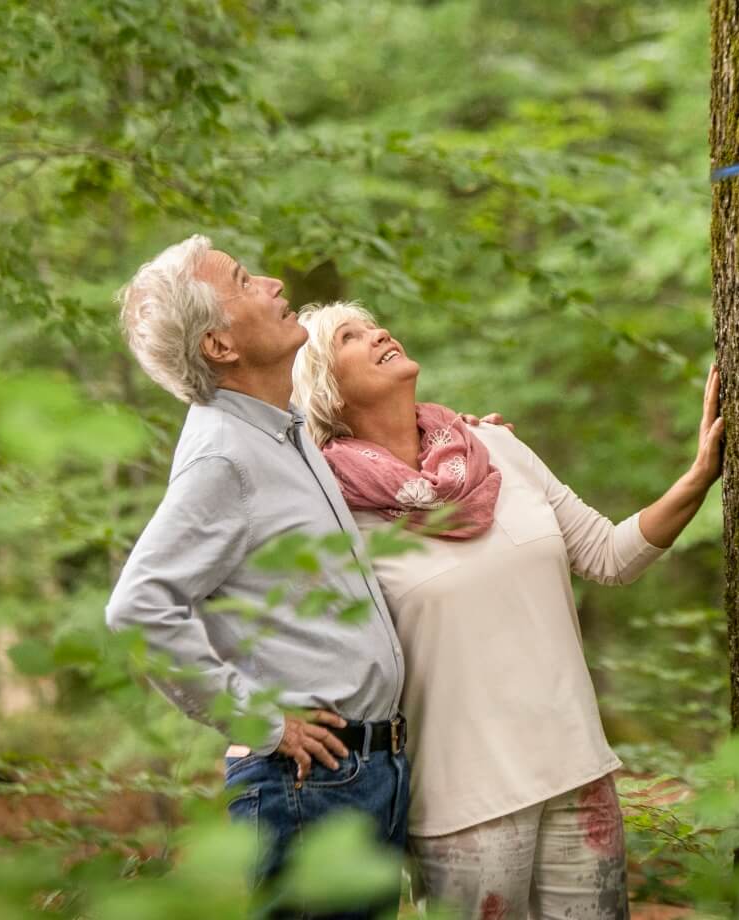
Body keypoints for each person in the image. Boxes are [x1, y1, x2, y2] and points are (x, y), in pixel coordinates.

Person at [108, 236, 504, 919]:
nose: (272, 283)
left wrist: (455, 438)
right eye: (243, 281)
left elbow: (376, 466)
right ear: (220, 346)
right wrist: (260, 720)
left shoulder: (280, 430)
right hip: (308, 780)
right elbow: (139, 609)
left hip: (363, 773)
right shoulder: (222, 458)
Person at [291, 302, 723, 920]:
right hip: (462, 808)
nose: (378, 333)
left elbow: (607, 556)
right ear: (326, 389)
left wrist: (700, 475)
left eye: (373, 324)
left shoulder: (493, 448)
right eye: (349, 338)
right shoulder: (331, 510)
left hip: (578, 773)